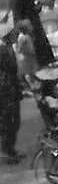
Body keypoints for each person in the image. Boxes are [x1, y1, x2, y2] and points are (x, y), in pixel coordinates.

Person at [0, 26, 22, 164]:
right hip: (5, 92)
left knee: (13, 121)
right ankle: (6, 151)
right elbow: (9, 70)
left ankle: (10, 149)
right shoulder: (3, 50)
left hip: (11, 89)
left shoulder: (7, 48)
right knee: (8, 122)